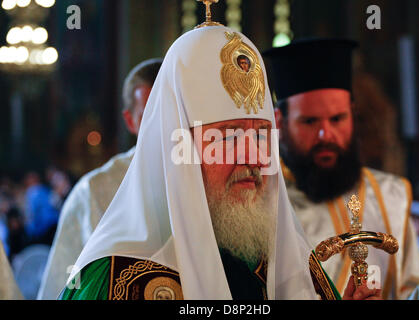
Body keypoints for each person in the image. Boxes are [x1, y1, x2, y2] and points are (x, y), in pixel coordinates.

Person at [60, 26, 380, 300]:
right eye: (227, 139)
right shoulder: (117, 281)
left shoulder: (292, 266)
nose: (255, 157)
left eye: (261, 136)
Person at [263, 38, 419, 299]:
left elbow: (413, 289)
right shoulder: (262, 203)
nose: (325, 134)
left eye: (337, 119)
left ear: (352, 114)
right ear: (280, 122)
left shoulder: (391, 195)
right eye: (309, 121)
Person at [37, 58, 163, 300]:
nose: (162, 125)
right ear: (130, 121)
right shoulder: (94, 189)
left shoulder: (208, 174)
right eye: (149, 115)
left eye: (170, 112)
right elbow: (64, 282)